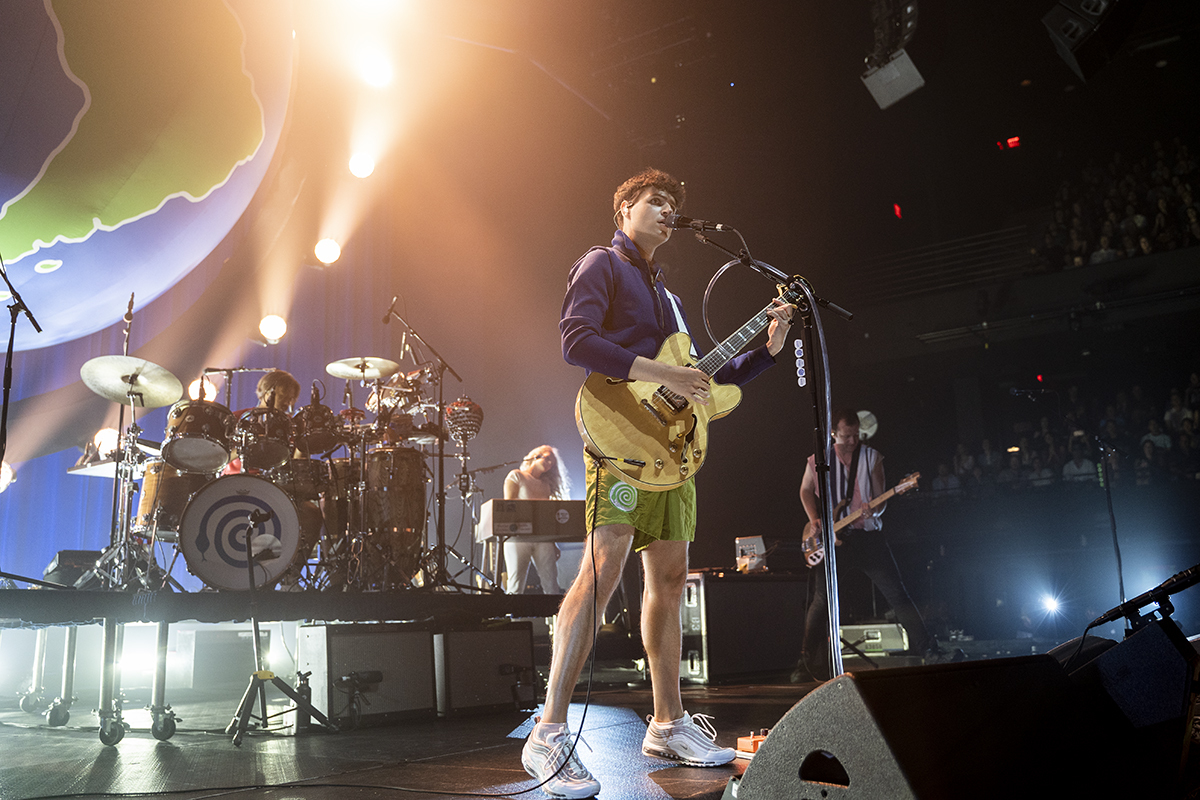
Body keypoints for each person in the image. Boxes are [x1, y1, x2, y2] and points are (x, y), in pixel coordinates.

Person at [521, 168, 792, 799]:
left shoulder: (668, 297)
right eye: (655, 202)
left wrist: (767, 351)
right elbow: (575, 341)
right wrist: (649, 369)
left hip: (670, 455)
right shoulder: (601, 264)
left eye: (673, 204)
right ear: (624, 211)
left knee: (669, 579)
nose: (667, 211)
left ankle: (668, 724)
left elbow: (699, 388)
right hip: (616, 442)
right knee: (603, 572)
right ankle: (548, 731)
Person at [793, 409, 955, 684]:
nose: (852, 440)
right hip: (834, 540)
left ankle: (930, 650)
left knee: (897, 595)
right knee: (821, 600)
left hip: (868, 538)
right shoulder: (819, 460)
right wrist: (814, 520)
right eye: (847, 436)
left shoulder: (871, 457)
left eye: (856, 435)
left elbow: (881, 500)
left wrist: (874, 511)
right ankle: (805, 662)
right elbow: (805, 490)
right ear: (835, 433)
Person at [504, 445, 570, 594]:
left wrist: (553, 543)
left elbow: (545, 516)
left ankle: (555, 617)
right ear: (535, 456)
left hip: (542, 537)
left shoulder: (545, 485)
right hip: (518, 536)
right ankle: (512, 617)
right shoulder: (516, 476)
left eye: (552, 462)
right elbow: (508, 506)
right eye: (547, 458)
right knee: (516, 584)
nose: (549, 464)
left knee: (551, 583)